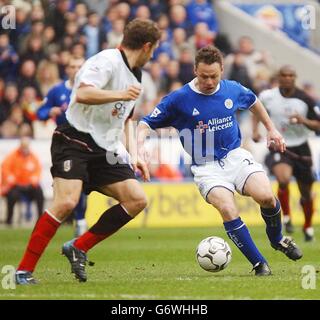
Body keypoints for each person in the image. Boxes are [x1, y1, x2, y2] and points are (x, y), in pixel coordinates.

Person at [15, 18, 161, 284]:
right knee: (66, 203)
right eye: (154, 50)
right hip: (74, 140)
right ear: (147, 46)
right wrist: (119, 93)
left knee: (136, 200)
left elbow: (125, 120)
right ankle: (24, 270)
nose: (153, 55)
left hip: (104, 148)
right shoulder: (106, 61)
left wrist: (135, 154)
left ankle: (78, 246)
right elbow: (82, 94)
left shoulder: (135, 74)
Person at [138, 46, 302, 276]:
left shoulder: (232, 89)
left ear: (222, 70)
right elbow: (145, 123)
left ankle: (277, 240)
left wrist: (271, 129)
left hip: (235, 156)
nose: (209, 81)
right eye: (203, 76)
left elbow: (253, 101)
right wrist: (139, 148)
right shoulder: (179, 99)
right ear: (195, 70)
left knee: (266, 196)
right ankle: (259, 264)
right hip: (206, 167)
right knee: (227, 207)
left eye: (214, 76)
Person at [253, 65, 320, 241]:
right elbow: (255, 108)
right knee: (283, 179)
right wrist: (255, 130)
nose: (287, 78)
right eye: (284, 75)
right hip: (279, 144)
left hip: (301, 146)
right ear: (279, 77)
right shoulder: (268, 96)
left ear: (294, 78)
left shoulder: (305, 99)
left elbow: (318, 124)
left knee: (306, 192)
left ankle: (307, 227)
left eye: (291, 75)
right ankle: (287, 216)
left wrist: (303, 120)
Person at [37, 56, 88, 237]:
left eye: (79, 66)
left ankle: (80, 220)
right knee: (68, 184)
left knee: (82, 183)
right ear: (67, 69)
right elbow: (40, 112)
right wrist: (49, 111)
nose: (76, 69)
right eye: (72, 66)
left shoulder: (92, 89)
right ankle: (74, 220)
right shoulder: (56, 91)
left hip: (87, 142)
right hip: (64, 144)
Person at [0, 136, 44, 225]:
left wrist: (35, 178)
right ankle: (9, 220)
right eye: (23, 146)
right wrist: (10, 177)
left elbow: (38, 170)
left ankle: (41, 219)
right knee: (12, 196)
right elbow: (5, 168)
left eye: (26, 146)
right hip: (16, 185)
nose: (25, 148)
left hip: (29, 186)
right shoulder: (12, 156)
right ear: (20, 146)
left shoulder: (33, 157)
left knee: (39, 193)